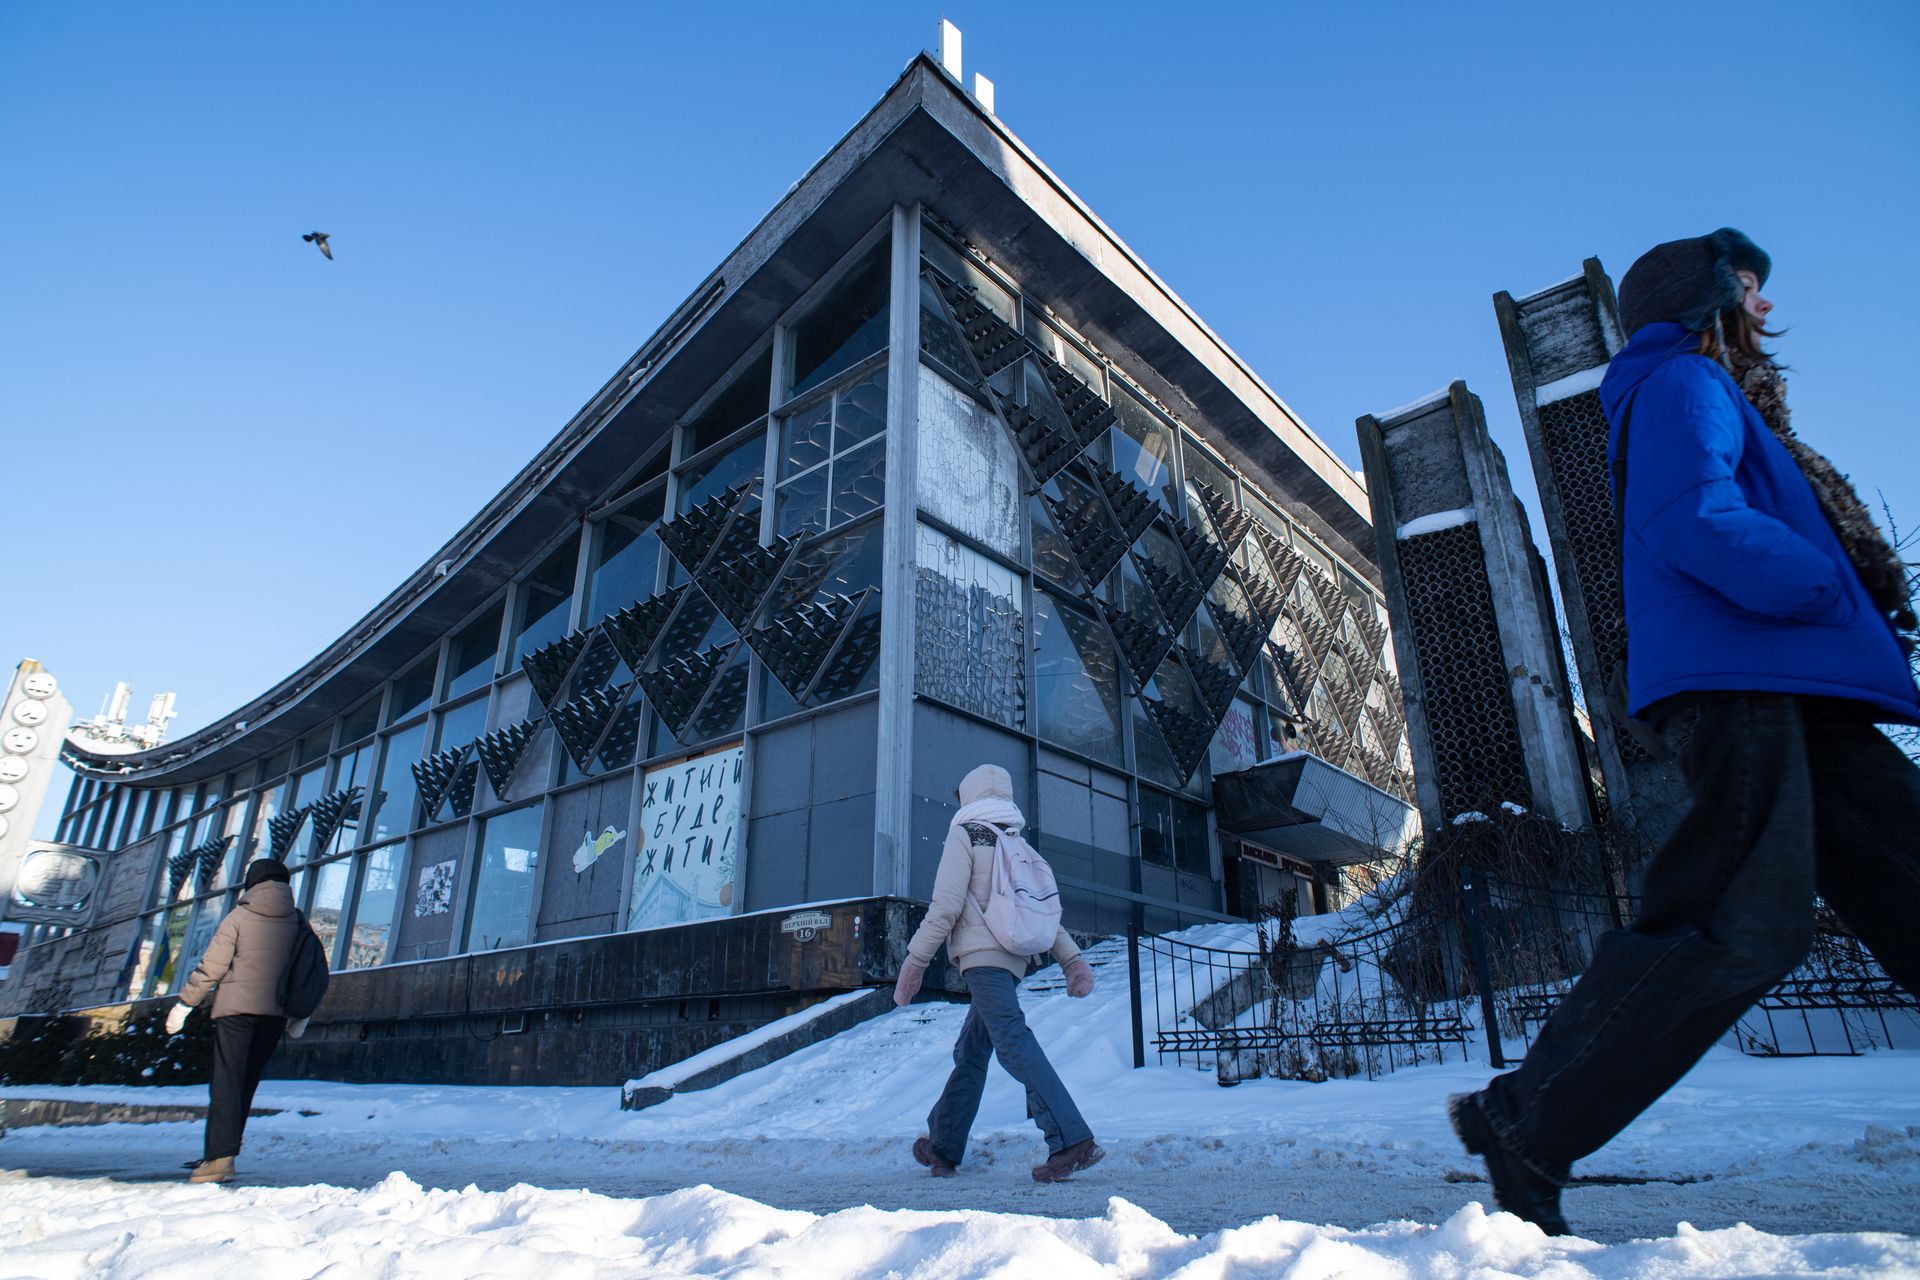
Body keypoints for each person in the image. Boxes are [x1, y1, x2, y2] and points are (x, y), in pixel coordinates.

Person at [1450, 228, 1920, 1235]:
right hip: (1746, 674)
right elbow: (1692, 517)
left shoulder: (1723, 392)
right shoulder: (1680, 381)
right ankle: (1527, 1117)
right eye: (1744, 288)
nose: (1762, 307)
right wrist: (1826, 584)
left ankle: (1529, 1115)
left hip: (1799, 687)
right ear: (1698, 301)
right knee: (1736, 918)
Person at [894, 764, 1104, 1183]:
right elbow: (1044, 911)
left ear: (970, 798)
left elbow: (945, 908)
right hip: (1011, 961)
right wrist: (1071, 959)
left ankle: (1071, 1139)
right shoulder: (1016, 843)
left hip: (982, 959)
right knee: (972, 1051)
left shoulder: (966, 834)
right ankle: (943, 1145)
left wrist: (913, 964)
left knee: (1012, 1042)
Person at [165, 856, 312, 1184]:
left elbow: (212, 965)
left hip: (236, 1013)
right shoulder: (297, 920)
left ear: (253, 883)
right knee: (245, 1084)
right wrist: (300, 1015)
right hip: (273, 1015)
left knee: (226, 1083)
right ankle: (222, 1153)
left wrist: (185, 1004)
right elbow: (309, 969)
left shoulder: (240, 916)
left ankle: (219, 1159)